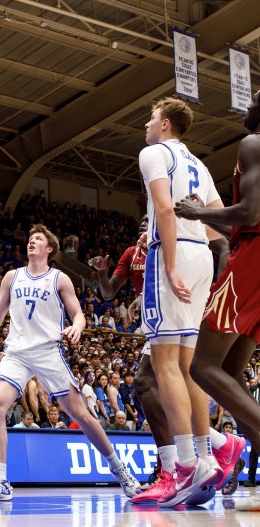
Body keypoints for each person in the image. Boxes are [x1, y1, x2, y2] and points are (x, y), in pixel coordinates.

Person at [0, 224, 140, 502]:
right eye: (30, 238)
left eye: (37, 239)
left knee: (82, 415)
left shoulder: (59, 278)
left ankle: (120, 470)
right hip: (16, 352)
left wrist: (77, 326)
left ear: (49, 249)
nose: (31, 242)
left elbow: (78, 314)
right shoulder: (12, 277)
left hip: (48, 351)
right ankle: (0, 480)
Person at [138, 97, 243, 507]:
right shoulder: (198, 166)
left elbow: (164, 207)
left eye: (149, 119)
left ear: (164, 124)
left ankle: (185, 464)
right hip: (201, 253)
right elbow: (223, 227)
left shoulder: (153, 153)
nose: (145, 126)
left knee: (165, 364)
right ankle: (207, 453)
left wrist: (168, 263)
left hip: (175, 254)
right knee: (187, 367)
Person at [175, 89, 260, 512]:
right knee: (230, 371)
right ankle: (235, 445)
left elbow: (249, 214)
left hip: (254, 259)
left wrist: (199, 214)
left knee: (201, 366)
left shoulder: (254, 143)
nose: (248, 107)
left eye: (255, 100)